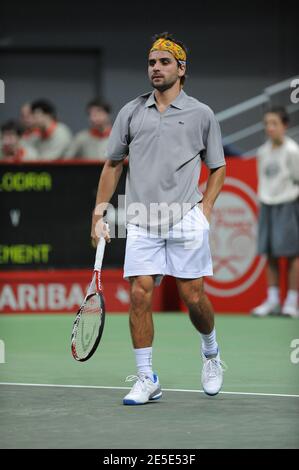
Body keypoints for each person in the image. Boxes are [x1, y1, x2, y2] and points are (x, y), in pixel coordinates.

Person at [91, 32, 226, 405]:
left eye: (164, 62)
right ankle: (147, 377)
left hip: (185, 217)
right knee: (138, 294)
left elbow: (217, 167)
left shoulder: (202, 114)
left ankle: (211, 353)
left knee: (193, 296)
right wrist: (99, 212)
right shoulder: (130, 112)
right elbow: (112, 165)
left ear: (181, 69)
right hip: (141, 219)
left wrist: (207, 207)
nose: (156, 68)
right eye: (152, 62)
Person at [252, 106, 299, 318]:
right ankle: (272, 301)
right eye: (267, 124)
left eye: (274, 124)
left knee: (291, 255)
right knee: (269, 254)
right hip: (267, 206)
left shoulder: (292, 151)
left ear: (285, 126)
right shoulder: (262, 152)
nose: (270, 128)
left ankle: (291, 303)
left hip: (288, 206)